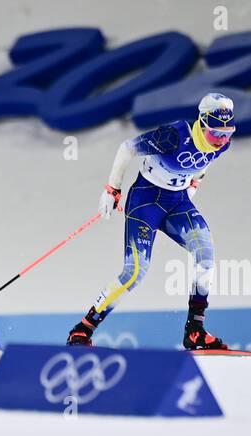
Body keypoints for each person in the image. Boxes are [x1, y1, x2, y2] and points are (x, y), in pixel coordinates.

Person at [67, 93, 236, 350]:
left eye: (227, 134)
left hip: (177, 202)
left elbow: (203, 163)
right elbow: (127, 148)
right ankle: (83, 329)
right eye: (215, 134)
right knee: (135, 272)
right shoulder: (173, 136)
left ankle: (195, 331)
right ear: (201, 123)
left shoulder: (221, 144)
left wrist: (193, 185)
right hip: (146, 201)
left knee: (206, 254)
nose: (221, 140)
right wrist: (112, 189)